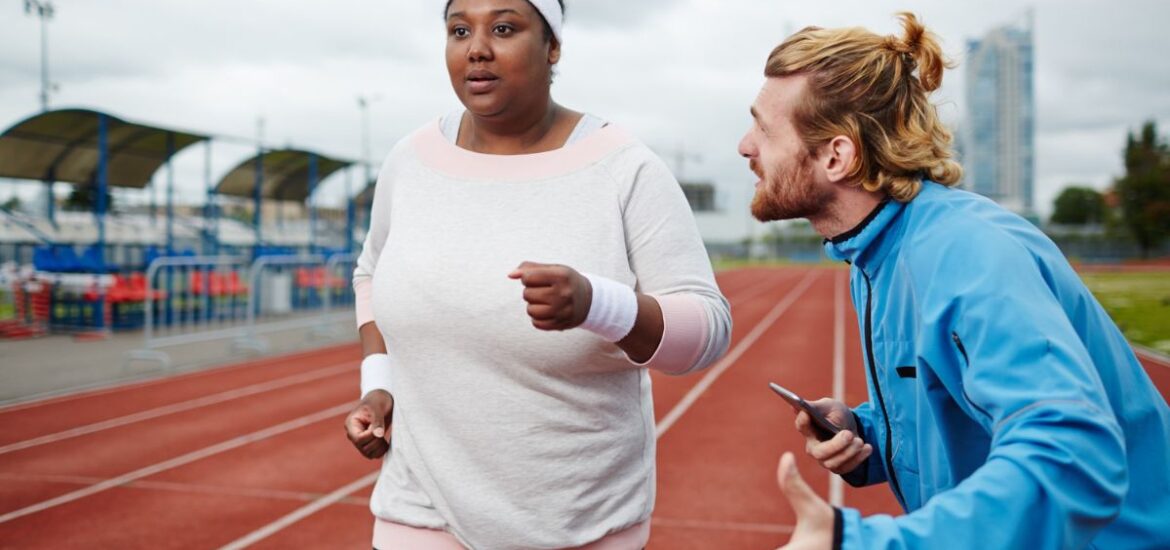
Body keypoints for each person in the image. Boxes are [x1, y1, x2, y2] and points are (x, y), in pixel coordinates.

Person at [736, 12, 1170, 550]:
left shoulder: (966, 252)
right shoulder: (877, 257)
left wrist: (856, 542)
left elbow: (1073, 453)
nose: (745, 146)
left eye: (764, 128)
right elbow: (964, 411)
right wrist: (867, 431)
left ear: (836, 155)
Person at [343, 0, 732, 548]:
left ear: (552, 47)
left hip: (579, 522)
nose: (477, 47)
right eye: (459, 30)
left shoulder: (623, 167)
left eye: (503, 28)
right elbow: (371, 273)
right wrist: (378, 385)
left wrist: (600, 305)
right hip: (419, 506)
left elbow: (708, 331)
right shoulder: (410, 160)